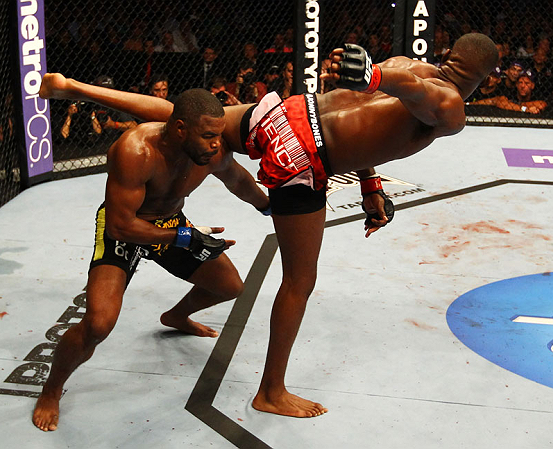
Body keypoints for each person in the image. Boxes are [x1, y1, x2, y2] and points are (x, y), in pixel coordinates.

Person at [38, 32, 498, 419]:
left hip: (288, 113)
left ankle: (78, 87)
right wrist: (377, 76)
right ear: (486, 76)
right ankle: (271, 392)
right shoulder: (451, 106)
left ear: (450, 55)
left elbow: (386, 106)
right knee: (299, 280)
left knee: (189, 119)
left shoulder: (408, 62)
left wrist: (371, 181)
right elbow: (419, 95)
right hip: (304, 157)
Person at [31, 87, 270, 431]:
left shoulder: (210, 151)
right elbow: (119, 225)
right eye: (207, 136)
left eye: (218, 136)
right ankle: (51, 390)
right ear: (180, 129)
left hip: (171, 223)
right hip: (126, 228)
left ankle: (176, 316)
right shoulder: (135, 150)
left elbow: (237, 179)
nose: (216, 144)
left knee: (229, 286)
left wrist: (267, 207)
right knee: (98, 324)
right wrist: (185, 237)